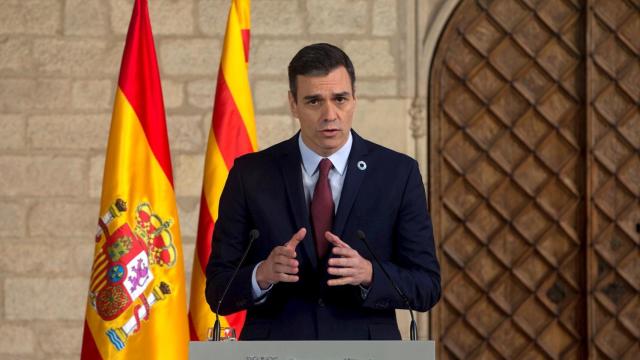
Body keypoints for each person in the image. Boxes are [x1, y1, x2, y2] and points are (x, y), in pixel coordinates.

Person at [205, 43, 440, 340]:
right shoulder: (249, 174)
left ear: (354, 98)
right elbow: (217, 291)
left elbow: (427, 286)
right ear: (293, 104)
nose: (330, 114)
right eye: (314, 101)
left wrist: (369, 273)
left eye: (340, 99)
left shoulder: (398, 174)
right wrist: (262, 274)